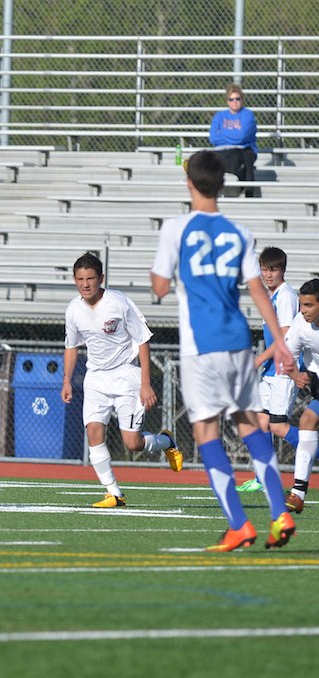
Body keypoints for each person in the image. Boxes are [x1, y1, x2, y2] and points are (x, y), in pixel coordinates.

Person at [150, 150, 296, 552]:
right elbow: (256, 291)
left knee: (206, 433)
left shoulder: (176, 228)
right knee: (251, 427)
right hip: (238, 342)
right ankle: (279, 513)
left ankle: (238, 524)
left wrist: (165, 277)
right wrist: (281, 341)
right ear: (224, 184)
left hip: (203, 347)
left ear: (189, 183)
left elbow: (160, 287)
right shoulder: (239, 231)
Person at [61, 252, 183, 509]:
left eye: (91, 278)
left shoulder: (118, 302)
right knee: (93, 432)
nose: (86, 284)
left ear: (101, 278)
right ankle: (114, 493)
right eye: (80, 279)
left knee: (133, 443)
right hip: (95, 378)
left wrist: (146, 383)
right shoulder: (73, 310)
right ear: (74, 280)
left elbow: (143, 340)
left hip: (126, 375)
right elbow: (71, 347)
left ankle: (166, 441)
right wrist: (67, 381)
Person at [238, 246, 301, 492]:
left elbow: (284, 337)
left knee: (277, 425)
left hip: (284, 370)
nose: (268, 274)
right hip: (271, 370)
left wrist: (257, 359)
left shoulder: (286, 295)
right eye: (264, 269)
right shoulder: (271, 296)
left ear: (282, 270)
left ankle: (312, 446)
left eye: (273, 269)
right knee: (259, 421)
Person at [282, 279, 319, 515]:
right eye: (301, 305)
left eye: (308, 305)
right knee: (307, 421)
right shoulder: (300, 324)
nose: (303, 310)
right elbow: (287, 355)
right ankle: (298, 494)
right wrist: (295, 373)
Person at [209, 83, 258, 197]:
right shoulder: (220, 116)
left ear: (242, 99)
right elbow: (213, 138)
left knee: (237, 156)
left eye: (237, 99)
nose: (234, 102)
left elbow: (242, 136)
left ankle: (242, 190)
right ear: (227, 101)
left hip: (244, 150)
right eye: (231, 99)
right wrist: (235, 134)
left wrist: (222, 133)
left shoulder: (248, 115)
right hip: (223, 150)